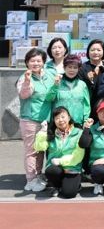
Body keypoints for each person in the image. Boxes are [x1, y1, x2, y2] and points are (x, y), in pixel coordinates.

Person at [17, 48, 53, 192]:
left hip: (45, 120)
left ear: (43, 62)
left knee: (40, 149)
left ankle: (38, 175)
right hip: (30, 120)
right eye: (32, 61)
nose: (36, 63)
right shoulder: (24, 77)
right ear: (27, 62)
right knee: (31, 151)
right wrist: (27, 81)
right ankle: (30, 179)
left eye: (39, 60)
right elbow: (24, 94)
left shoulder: (48, 75)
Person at [34, 107, 84, 198]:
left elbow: (78, 155)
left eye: (63, 117)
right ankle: (56, 186)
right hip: (55, 168)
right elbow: (40, 147)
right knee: (51, 171)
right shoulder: (51, 133)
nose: (60, 120)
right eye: (57, 118)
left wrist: (61, 161)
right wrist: (42, 132)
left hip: (72, 167)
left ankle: (74, 184)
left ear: (69, 117)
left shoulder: (79, 133)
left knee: (69, 193)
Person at [46, 54, 91, 126]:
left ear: (78, 69)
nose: (72, 70)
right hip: (60, 123)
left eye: (75, 67)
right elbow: (49, 98)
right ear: (64, 67)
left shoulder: (82, 85)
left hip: (77, 123)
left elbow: (86, 105)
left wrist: (85, 120)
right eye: (69, 67)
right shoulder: (57, 81)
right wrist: (55, 86)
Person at [78, 39, 104, 111]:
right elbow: (80, 89)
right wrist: (90, 80)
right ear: (88, 52)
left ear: (103, 51)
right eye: (92, 50)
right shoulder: (82, 68)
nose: (95, 52)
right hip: (89, 105)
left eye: (99, 50)